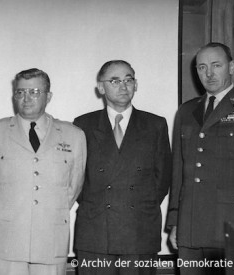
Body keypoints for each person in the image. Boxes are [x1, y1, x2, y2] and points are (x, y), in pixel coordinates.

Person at [167, 42, 234, 274]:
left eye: (216, 65)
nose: (209, 73)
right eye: (202, 67)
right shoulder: (186, 111)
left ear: (231, 66)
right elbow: (178, 171)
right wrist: (175, 222)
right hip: (191, 227)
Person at [73, 60, 172, 275]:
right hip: (96, 230)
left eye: (129, 80)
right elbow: (77, 179)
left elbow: (162, 178)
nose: (123, 86)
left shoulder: (155, 125)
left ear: (136, 84)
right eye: (115, 81)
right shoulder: (83, 125)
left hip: (139, 229)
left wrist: (139, 205)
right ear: (101, 88)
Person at [0, 68, 86, 275]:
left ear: (48, 96)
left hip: (50, 239)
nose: (26, 98)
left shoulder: (73, 136)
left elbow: (74, 187)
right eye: (20, 92)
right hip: (7, 242)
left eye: (35, 92)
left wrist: (46, 213)